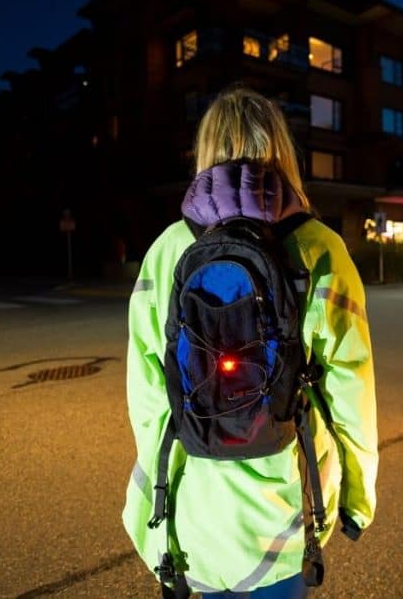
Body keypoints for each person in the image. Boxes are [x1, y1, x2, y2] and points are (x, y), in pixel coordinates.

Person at [123, 85, 378, 597]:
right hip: (282, 516)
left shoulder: (168, 249)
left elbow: (150, 397)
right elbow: (351, 389)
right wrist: (356, 500)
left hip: (194, 513)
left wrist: (157, 506)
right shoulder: (321, 249)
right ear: (281, 151)